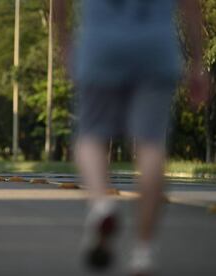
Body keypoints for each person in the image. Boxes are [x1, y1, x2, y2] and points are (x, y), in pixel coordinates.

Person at [54, 0, 208, 275]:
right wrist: (197, 62)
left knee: (90, 137)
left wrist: (64, 43)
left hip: (100, 45)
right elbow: (191, 6)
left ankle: (102, 204)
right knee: (151, 145)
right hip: (155, 49)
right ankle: (143, 253)